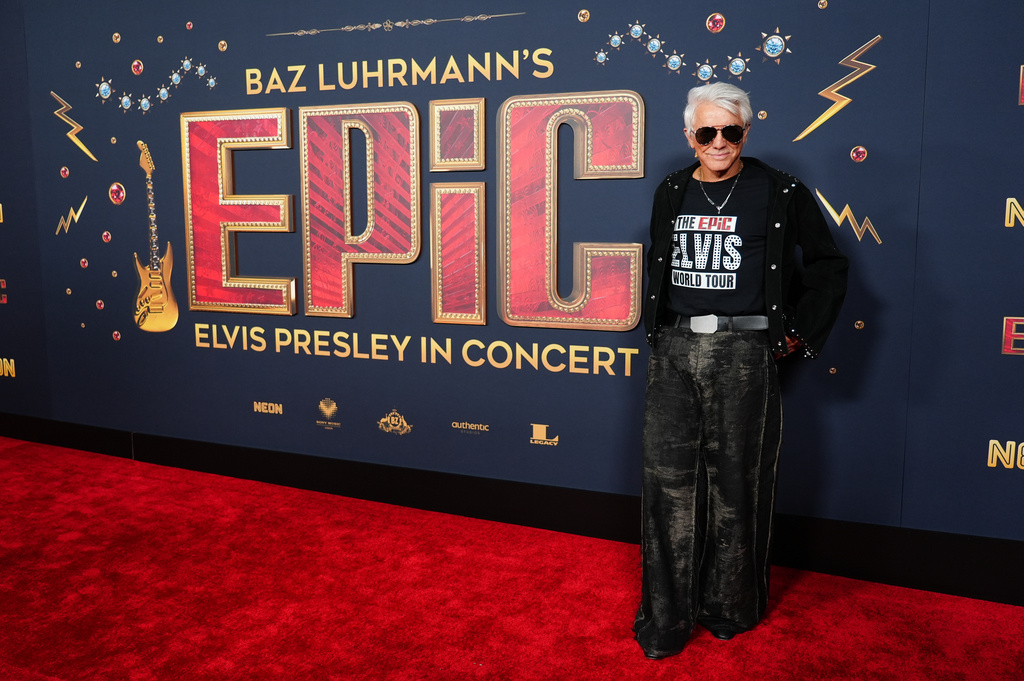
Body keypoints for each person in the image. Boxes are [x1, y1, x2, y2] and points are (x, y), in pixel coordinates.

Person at [633, 82, 849, 659]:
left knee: (738, 484)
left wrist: (797, 334)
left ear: (746, 132)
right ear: (690, 136)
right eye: (707, 132)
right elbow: (659, 265)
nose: (720, 142)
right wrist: (660, 336)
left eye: (731, 131)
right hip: (676, 351)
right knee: (667, 488)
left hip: (744, 354)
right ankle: (666, 616)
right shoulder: (671, 190)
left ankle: (729, 607)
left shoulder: (779, 190)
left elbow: (828, 264)